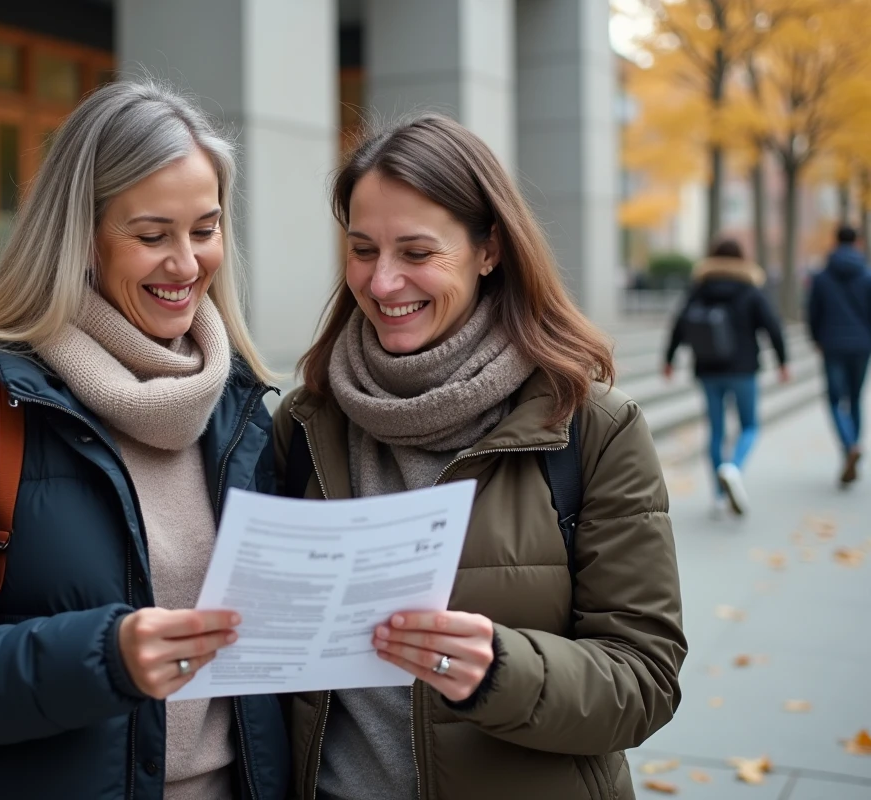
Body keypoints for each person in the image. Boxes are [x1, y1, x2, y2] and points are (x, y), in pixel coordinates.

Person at [0, 81, 288, 799]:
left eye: (205, 229)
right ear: (79, 239)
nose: (186, 265)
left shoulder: (243, 407)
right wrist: (106, 657)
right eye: (152, 235)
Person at [274, 115, 686, 800]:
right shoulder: (304, 424)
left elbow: (646, 678)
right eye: (362, 250)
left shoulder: (592, 430)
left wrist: (500, 671)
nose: (381, 284)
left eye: (416, 252)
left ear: (488, 249)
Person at [663, 239, 788, 517]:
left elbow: (679, 324)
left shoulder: (700, 288)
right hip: (743, 369)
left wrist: (669, 359)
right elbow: (772, 326)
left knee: (716, 431)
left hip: (708, 369)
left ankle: (719, 497)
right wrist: (783, 361)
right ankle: (734, 468)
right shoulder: (750, 289)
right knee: (750, 425)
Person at [808, 224, 871, 486]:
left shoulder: (822, 276)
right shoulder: (867, 275)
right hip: (861, 345)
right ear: (857, 242)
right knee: (855, 398)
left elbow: (813, 311)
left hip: (832, 344)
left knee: (835, 400)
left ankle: (848, 446)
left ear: (835, 241)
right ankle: (853, 444)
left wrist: (816, 338)